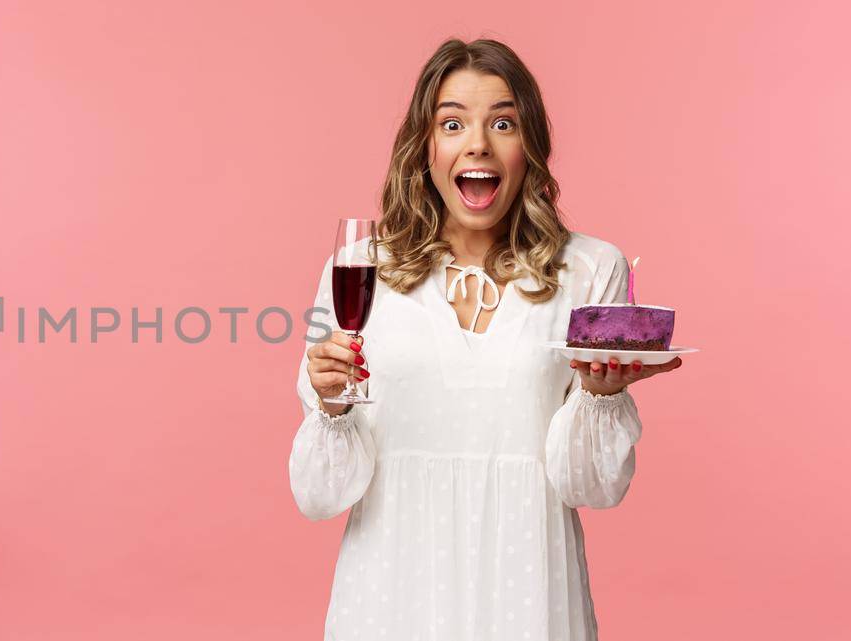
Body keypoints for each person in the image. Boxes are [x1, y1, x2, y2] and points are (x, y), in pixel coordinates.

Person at [288, 38, 684, 641]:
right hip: (392, 589)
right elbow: (319, 496)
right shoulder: (358, 269)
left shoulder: (591, 271)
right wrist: (333, 406)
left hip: (529, 585)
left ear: (530, 148)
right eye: (452, 123)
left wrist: (600, 396)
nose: (478, 143)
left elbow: (593, 488)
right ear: (424, 148)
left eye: (503, 122)